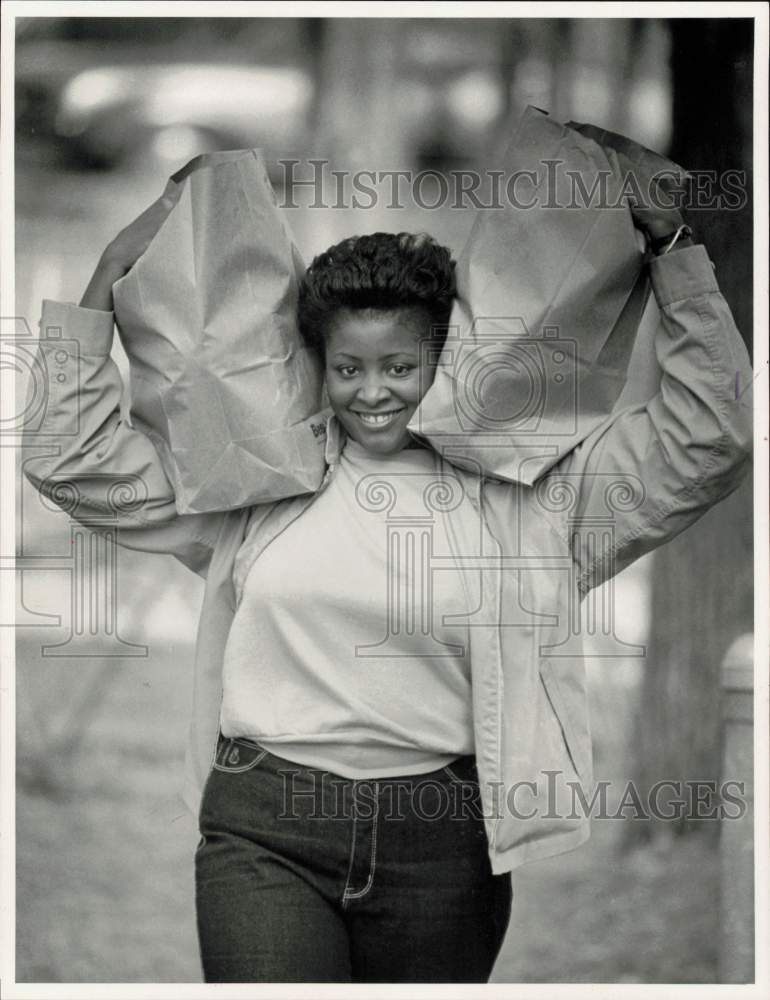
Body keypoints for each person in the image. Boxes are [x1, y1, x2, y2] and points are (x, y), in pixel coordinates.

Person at [23, 177, 752, 982]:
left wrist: (674, 258)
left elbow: (707, 438)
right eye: (348, 369)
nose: (373, 392)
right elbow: (73, 459)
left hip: (442, 843)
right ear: (320, 369)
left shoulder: (534, 502)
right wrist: (104, 283)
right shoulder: (259, 483)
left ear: (445, 363)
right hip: (266, 827)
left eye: (400, 365)